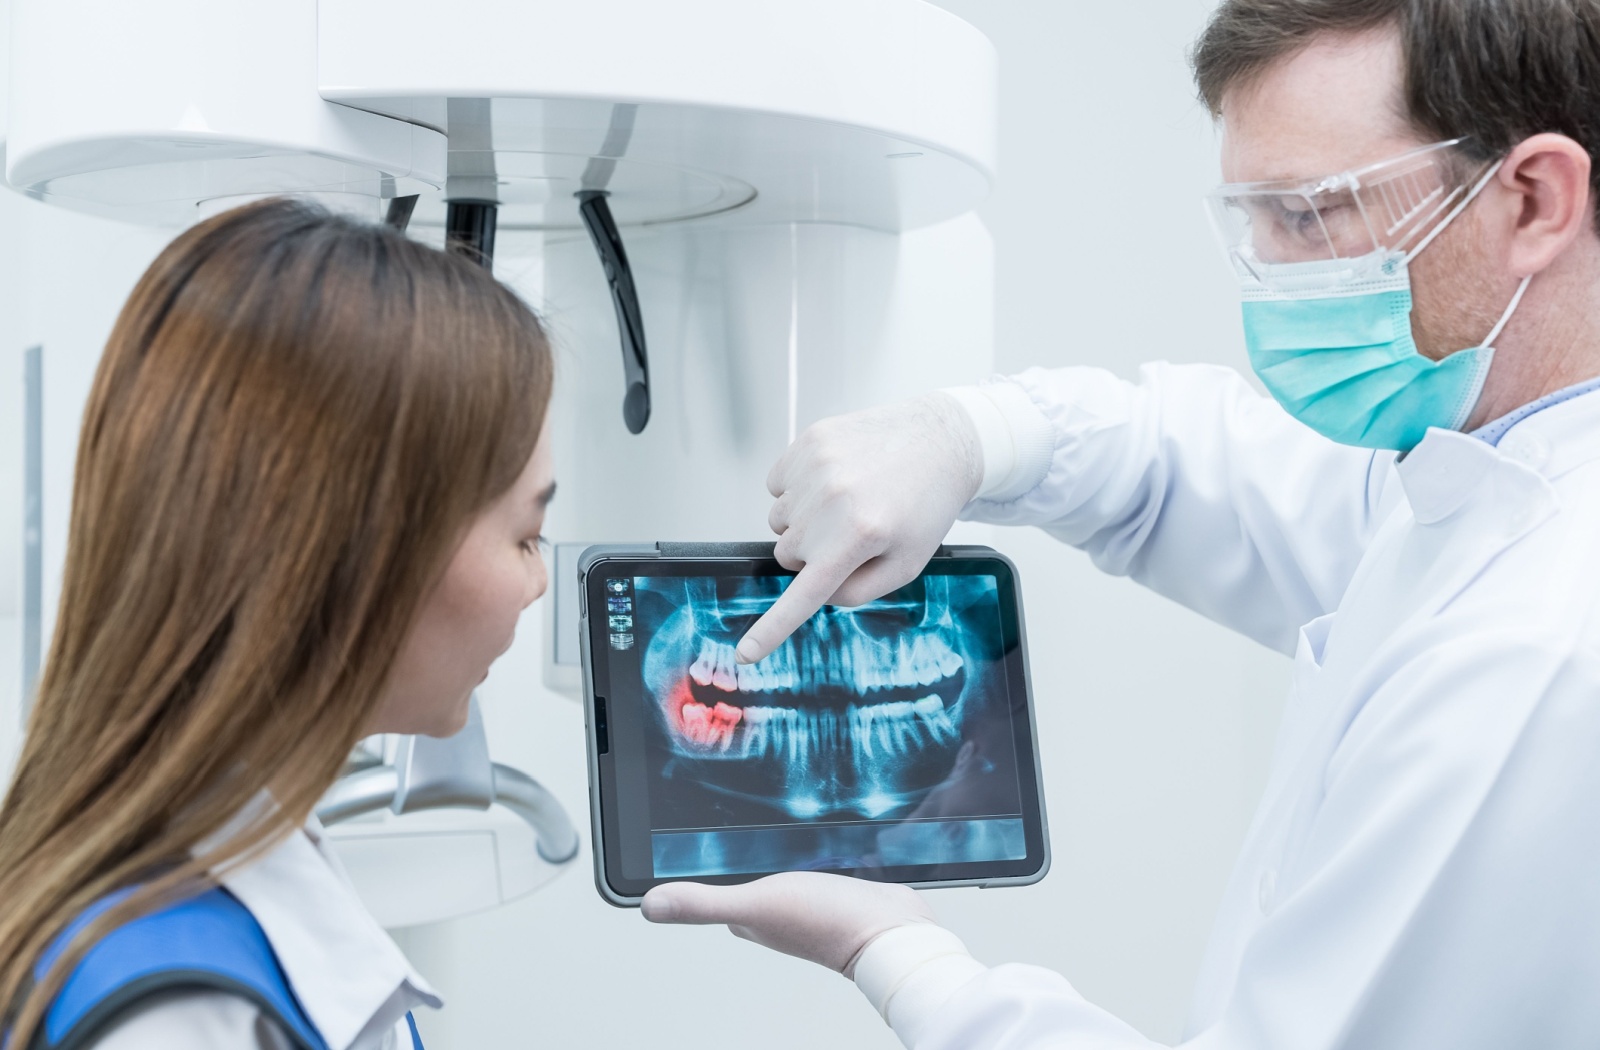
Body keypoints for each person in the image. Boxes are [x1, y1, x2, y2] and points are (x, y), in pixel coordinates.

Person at [640, 1, 1600, 1047]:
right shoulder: (1479, 476)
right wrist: (974, 432)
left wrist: (899, 957)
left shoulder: (1536, 647)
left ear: (1533, 199)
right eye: (1250, 219)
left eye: (1310, 216)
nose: (1269, 274)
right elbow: (1195, 462)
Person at [0, 198, 556, 1049]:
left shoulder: (213, 872)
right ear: (364, 551)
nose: (539, 581)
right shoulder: (176, 1018)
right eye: (526, 535)